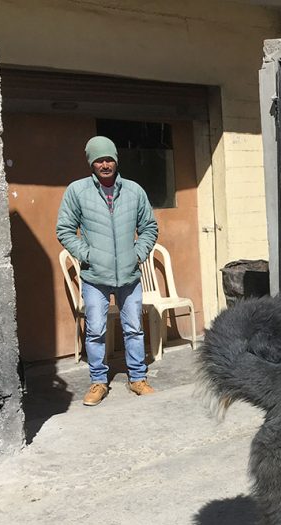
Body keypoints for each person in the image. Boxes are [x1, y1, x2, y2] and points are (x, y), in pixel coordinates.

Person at [56, 136, 159, 406]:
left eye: (109, 158)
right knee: (96, 331)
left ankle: (137, 378)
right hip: (94, 277)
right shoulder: (77, 191)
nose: (105, 164)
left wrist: (137, 254)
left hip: (129, 276)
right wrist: (87, 255)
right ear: (91, 162)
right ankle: (98, 382)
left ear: (116, 160)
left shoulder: (134, 190)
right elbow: (65, 230)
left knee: (135, 329)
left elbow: (149, 227)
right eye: (99, 159)